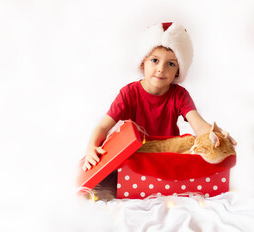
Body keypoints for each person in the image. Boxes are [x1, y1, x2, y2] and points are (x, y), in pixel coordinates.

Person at [82, 22, 237, 172]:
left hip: (169, 159)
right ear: (143, 63)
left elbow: (198, 124)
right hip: (139, 158)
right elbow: (103, 127)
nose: (161, 69)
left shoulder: (179, 95)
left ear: (178, 71)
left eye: (171, 64)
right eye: (155, 60)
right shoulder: (129, 93)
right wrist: (91, 148)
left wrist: (217, 135)